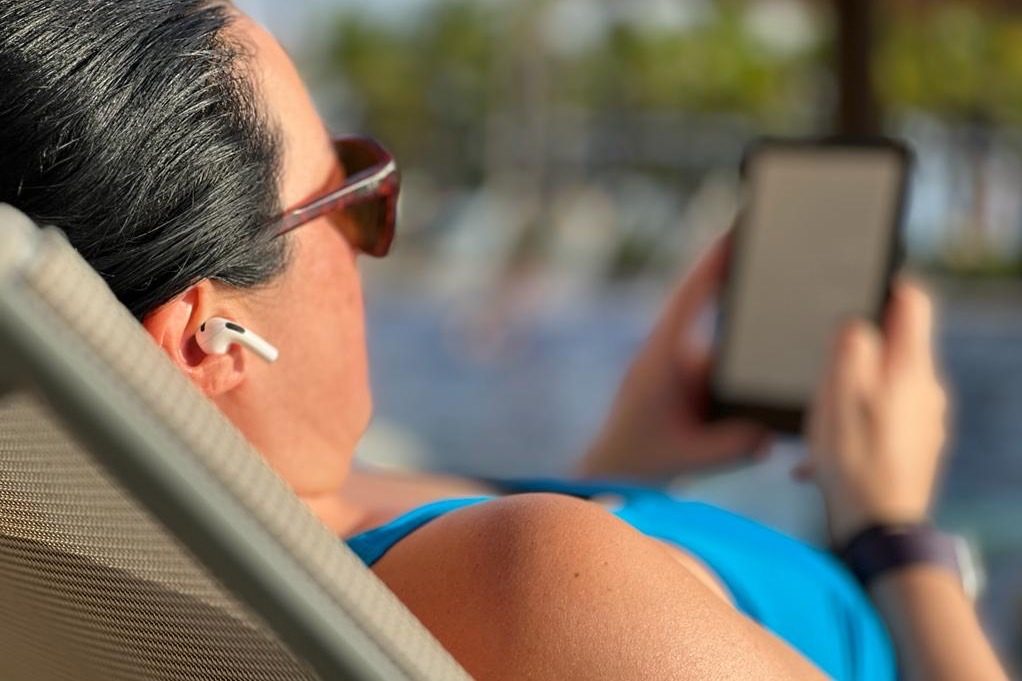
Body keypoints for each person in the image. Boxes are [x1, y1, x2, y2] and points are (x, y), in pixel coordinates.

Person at [0, 2, 1009, 679]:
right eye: (353, 198)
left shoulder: (128, 568)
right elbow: (547, 608)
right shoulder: (529, 581)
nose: (371, 240)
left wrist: (620, 468)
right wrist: (893, 525)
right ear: (211, 341)